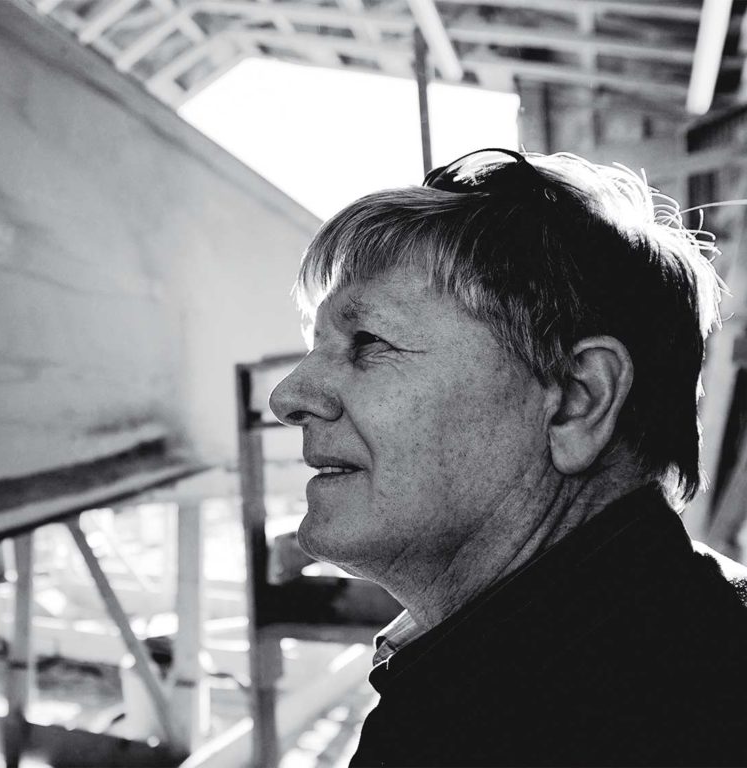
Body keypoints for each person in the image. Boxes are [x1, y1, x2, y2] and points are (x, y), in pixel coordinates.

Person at [268, 149, 747, 766]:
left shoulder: (535, 726)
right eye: (316, 345)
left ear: (577, 400)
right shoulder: (672, 634)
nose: (290, 397)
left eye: (369, 343)